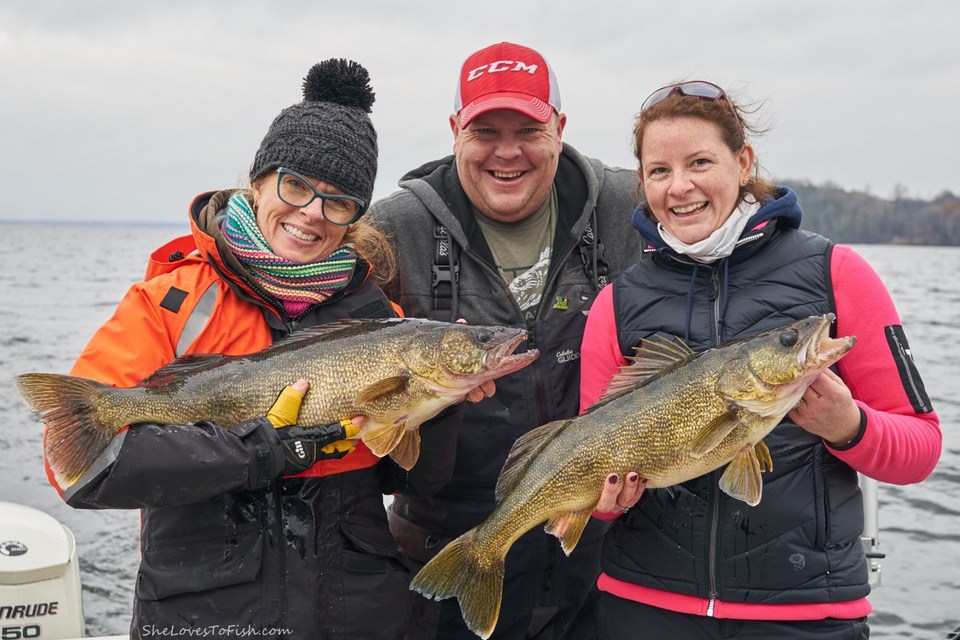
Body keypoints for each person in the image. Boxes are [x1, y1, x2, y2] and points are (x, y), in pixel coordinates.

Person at [47, 59, 469, 639]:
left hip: (356, 618)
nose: (310, 213)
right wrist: (263, 449)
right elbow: (83, 471)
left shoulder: (381, 320)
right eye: (295, 185)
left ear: (354, 217)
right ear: (259, 179)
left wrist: (442, 403)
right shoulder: (171, 301)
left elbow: (414, 482)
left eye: (338, 201)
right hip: (206, 620)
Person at [579, 80, 942, 639]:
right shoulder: (616, 302)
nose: (680, 188)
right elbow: (591, 465)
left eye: (700, 162)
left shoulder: (837, 274)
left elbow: (920, 452)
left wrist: (850, 427)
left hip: (804, 616)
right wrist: (604, 501)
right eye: (658, 171)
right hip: (643, 609)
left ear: (743, 161)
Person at [368, 42, 644, 639]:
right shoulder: (394, 230)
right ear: (454, 132)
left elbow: (732, 217)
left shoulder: (631, 206)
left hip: (600, 561)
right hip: (437, 553)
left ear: (560, 128)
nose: (508, 151)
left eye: (528, 129)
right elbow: (287, 278)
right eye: (485, 130)